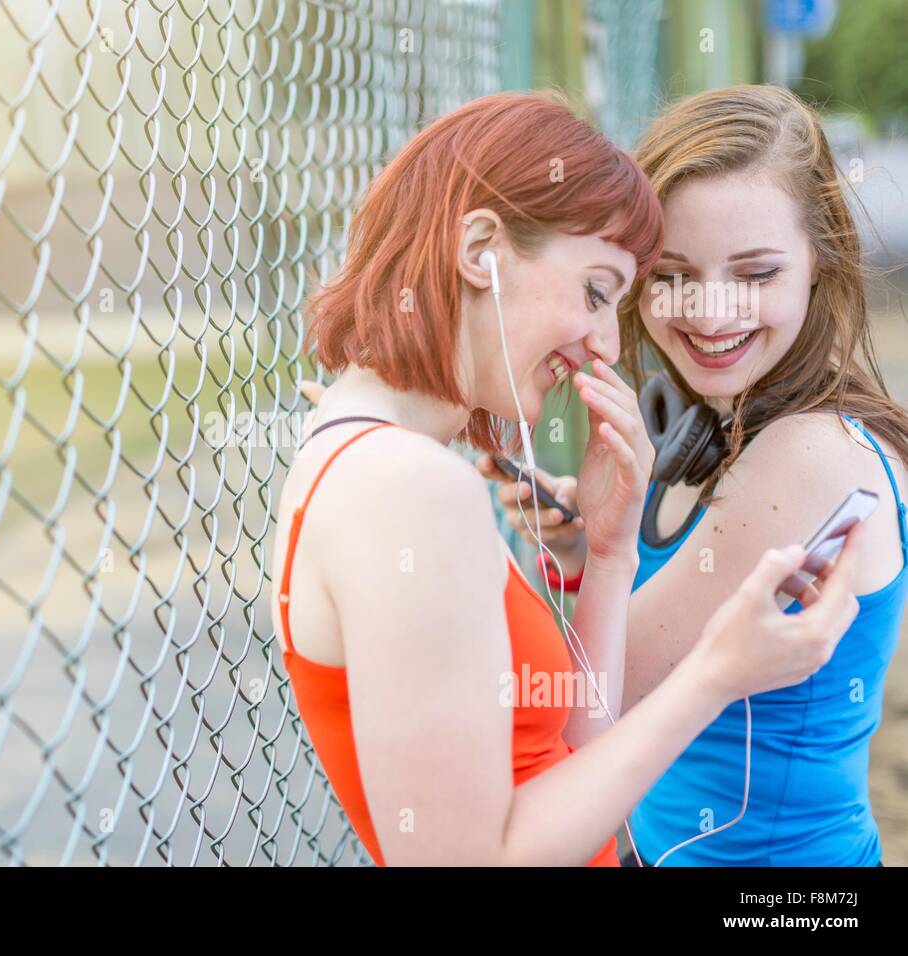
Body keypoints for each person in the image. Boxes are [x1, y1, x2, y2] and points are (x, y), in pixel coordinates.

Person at [271, 90, 862, 867]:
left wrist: (612, 553)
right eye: (593, 292)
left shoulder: (368, 456)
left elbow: (565, 756)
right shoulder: (408, 489)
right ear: (479, 248)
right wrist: (716, 674)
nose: (605, 347)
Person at [475, 85, 907, 865]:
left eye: (754, 273)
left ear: (821, 260)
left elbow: (584, 717)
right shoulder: (732, 418)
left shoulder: (806, 456)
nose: (711, 312)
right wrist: (588, 552)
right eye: (674, 273)